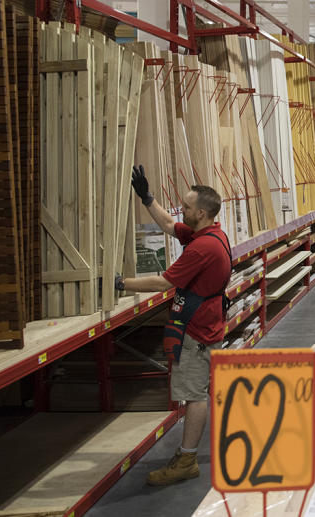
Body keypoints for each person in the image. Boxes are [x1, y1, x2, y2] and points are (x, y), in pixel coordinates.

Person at [117, 166, 232, 486]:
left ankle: (187, 459)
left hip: (196, 332)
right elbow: (169, 225)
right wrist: (147, 198)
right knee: (196, 392)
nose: (181, 210)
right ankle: (187, 454)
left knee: (194, 396)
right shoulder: (208, 234)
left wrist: (120, 284)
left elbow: (163, 282)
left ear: (202, 212)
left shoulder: (202, 248)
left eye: (186, 206)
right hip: (205, 323)